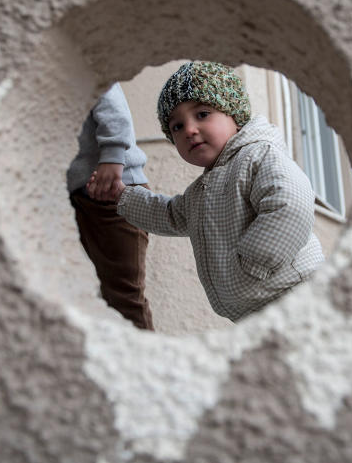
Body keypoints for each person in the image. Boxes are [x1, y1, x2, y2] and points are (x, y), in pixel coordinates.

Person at [87, 61, 324, 322]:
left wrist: (253, 263)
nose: (189, 129)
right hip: (257, 311)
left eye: (202, 114)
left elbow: (291, 205)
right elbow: (169, 215)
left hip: (295, 295)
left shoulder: (258, 156)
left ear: (234, 114)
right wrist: (123, 195)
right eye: (176, 126)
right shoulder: (204, 190)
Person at [67, 83, 154, 330]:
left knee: (125, 299)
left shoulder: (81, 54)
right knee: (99, 299)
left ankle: (143, 366)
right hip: (77, 194)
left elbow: (108, 96)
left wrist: (113, 156)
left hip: (115, 190)